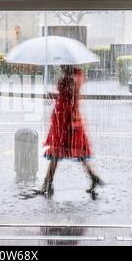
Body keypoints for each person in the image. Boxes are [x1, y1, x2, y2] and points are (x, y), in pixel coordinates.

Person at [38, 65, 103, 200]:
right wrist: (55, 96)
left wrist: (70, 119)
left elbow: (71, 100)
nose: (60, 66)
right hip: (64, 119)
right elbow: (67, 97)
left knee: (58, 152)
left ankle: (47, 183)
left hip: (66, 121)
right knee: (76, 153)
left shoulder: (72, 78)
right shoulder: (74, 76)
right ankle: (93, 177)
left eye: (62, 64)